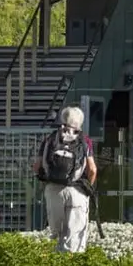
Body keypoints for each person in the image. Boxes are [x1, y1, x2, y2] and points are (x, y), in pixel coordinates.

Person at [33, 106, 96, 252]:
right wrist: (88, 188)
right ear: (80, 122)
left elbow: (36, 166)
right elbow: (92, 169)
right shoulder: (85, 140)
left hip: (54, 190)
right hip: (77, 190)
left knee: (56, 234)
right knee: (75, 236)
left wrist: (45, 179)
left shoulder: (50, 139)